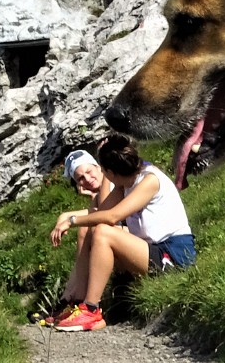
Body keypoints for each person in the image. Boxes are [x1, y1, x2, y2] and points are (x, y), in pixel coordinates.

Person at [44, 134, 196, 332]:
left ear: (109, 172)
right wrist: (68, 218)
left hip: (174, 255)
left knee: (103, 233)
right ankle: (79, 305)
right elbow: (101, 213)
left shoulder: (149, 180)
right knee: (91, 230)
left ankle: (91, 310)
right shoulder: (127, 182)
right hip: (154, 250)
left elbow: (111, 217)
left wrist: (72, 221)